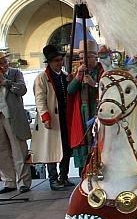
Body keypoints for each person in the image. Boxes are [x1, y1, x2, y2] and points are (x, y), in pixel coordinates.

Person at [32, 45, 71, 190]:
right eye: (56, 60)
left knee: (66, 148)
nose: (59, 63)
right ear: (49, 62)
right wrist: (45, 117)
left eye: (60, 60)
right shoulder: (42, 78)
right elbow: (40, 99)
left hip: (64, 118)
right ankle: (53, 179)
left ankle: (64, 177)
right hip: (52, 119)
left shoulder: (64, 76)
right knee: (51, 149)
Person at [67, 40, 103, 176]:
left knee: (96, 140)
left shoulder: (102, 70)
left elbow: (108, 90)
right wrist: (77, 78)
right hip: (82, 112)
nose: (83, 61)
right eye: (81, 58)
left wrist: (94, 84)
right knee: (83, 140)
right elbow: (70, 91)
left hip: (96, 109)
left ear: (94, 57)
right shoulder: (79, 72)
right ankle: (84, 172)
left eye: (87, 57)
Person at [0, 52, 32, 193]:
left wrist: (5, 82)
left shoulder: (15, 73)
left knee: (19, 150)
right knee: (2, 151)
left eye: (5, 61)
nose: (5, 64)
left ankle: (24, 182)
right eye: (2, 62)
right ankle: (9, 181)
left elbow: (22, 89)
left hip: (12, 117)